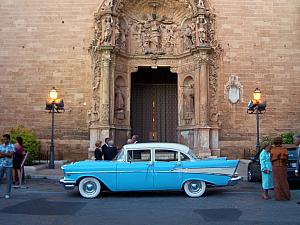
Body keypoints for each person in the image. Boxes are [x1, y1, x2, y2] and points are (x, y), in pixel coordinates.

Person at [270, 136, 291, 201]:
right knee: (284, 181)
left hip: (275, 167)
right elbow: (287, 159)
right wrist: (282, 158)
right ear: (281, 142)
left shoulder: (272, 149)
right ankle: (286, 196)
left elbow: (271, 159)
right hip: (283, 166)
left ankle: (278, 196)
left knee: (276, 181)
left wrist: (276, 158)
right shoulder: (284, 149)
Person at [0, 134, 16, 199]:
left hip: (9, 166)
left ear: (8, 139)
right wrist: (6, 154)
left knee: (8, 180)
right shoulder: (1, 146)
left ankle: (8, 193)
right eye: (3, 139)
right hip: (1, 165)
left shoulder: (12, 146)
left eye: (5, 139)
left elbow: (11, 155)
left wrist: (3, 153)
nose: (3, 140)